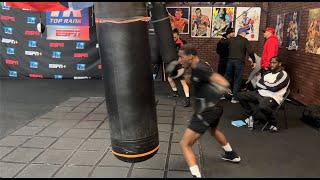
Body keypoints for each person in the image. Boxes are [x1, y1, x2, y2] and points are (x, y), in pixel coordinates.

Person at [172, 44, 241, 178]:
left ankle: (196, 176)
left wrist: (210, 98)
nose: (180, 60)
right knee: (213, 131)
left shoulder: (200, 68)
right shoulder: (197, 66)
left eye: (181, 57)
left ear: (191, 56)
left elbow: (224, 83)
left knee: (185, 144)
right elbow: (193, 81)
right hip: (215, 109)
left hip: (207, 110)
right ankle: (231, 155)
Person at [238, 57, 290, 132]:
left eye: (274, 63)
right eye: (271, 62)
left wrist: (265, 84)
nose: (271, 64)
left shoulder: (284, 74)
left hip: (273, 97)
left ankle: (273, 124)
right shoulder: (268, 73)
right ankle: (251, 116)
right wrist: (269, 85)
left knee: (263, 106)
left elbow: (274, 88)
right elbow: (258, 84)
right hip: (260, 93)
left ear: (279, 63)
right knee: (240, 95)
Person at [225, 28, 256, 103]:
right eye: (245, 33)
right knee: (237, 79)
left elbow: (223, 47)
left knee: (228, 78)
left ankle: (225, 95)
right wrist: (254, 61)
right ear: (242, 33)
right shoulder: (245, 41)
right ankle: (234, 98)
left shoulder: (231, 40)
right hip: (239, 62)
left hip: (230, 61)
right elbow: (250, 51)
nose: (246, 35)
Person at [167, 29, 191, 107]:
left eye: (175, 37)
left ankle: (187, 99)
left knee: (183, 82)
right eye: (172, 37)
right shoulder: (171, 43)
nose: (173, 38)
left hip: (182, 65)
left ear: (178, 35)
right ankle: (175, 92)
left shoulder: (183, 43)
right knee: (170, 79)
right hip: (175, 64)